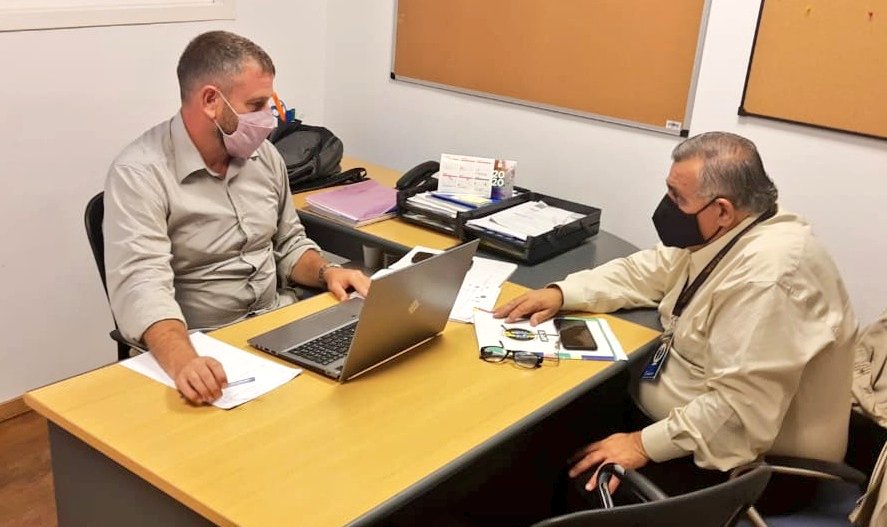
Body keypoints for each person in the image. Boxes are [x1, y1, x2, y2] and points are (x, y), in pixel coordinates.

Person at [495, 132, 858, 509]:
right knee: (554, 432)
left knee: (576, 477)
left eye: (677, 197)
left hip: (746, 466)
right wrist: (562, 293)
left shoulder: (768, 279)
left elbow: (737, 415)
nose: (667, 206)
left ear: (722, 210)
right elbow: (647, 270)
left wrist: (641, 445)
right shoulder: (731, 232)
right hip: (687, 423)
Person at [104, 31, 370, 405]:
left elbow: (289, 243)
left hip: (275, 327)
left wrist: (327, 271)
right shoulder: (140, 174)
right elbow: (142, 288)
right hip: (203, 344)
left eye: (270, 103)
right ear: (211, 101)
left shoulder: (266, 157)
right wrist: (184, 362)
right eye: (256, 105)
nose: (270, 120)